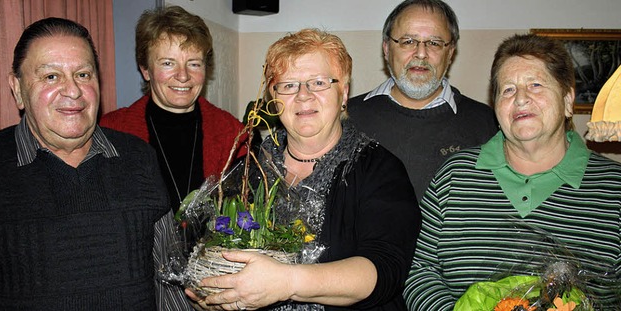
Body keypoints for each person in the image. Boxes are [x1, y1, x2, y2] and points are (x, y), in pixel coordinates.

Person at [185, 28, 422, 311]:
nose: (303, 96)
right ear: (273, 98)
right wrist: (213, 297)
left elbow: (385, 271)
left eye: (319, 82)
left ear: (343, 92)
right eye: (288, 85)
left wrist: (287, 282)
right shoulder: (247, 172)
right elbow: (209, 254)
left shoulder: (379, 170)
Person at [0, 17, 193, 310]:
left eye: (83, 74)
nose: (73, 91)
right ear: (17, 88)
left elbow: (168, 283)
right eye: (51, 77)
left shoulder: (139, 159)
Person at [404, 33, 621, 310]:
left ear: (568, 100)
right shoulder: (454, 176)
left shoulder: (614, 188)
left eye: (536, 85)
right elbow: (419, 268)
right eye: (507, 89)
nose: (520, 99)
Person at [100, 5, 247, 214]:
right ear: (145, 70)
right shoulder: (111, 132)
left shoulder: (234, 135)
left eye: (194, 64)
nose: (183, 75)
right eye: (168, 63)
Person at [347, 0, 498, 202]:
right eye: (408, 41)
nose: (421, 53)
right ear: (386, 48)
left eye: (434, 43)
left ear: (450, 52)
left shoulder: (487, 123)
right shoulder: (347, 117)